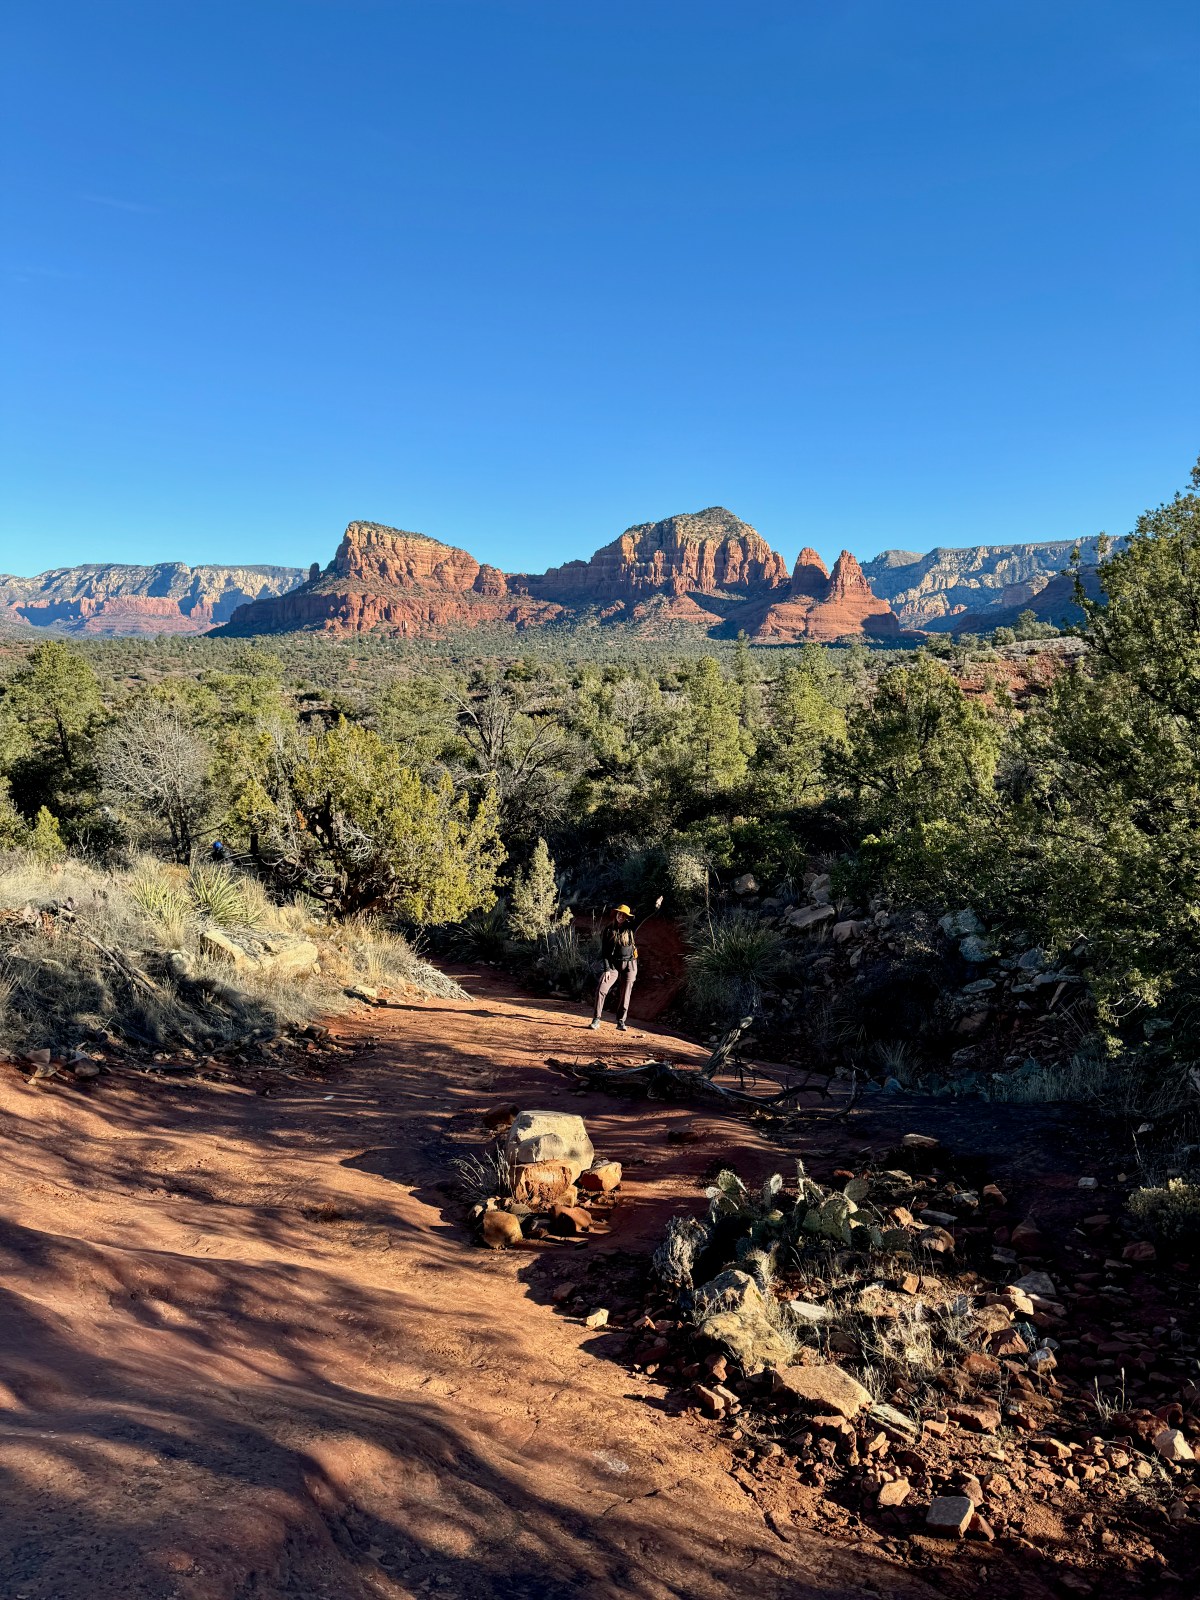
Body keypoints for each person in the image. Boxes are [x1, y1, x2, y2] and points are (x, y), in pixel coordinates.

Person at [589, 902, 642, 1032]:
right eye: (619, 914)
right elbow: (605, 952)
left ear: (627, 917)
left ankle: (621, 1021)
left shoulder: (631, 928)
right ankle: (596, 1019)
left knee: (626, 993)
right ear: (616, 914)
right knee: (602, 987)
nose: (621, 916)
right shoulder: (608, 930)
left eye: (624, 915)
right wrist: (607, 969)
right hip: (613, 964)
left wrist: (656, 907)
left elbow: (643, 917)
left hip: (630, 964)